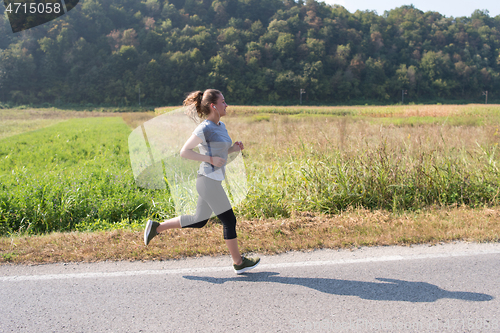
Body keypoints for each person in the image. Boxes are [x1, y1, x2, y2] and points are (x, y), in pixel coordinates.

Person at [143, 89, 260, 274]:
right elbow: (185, 151)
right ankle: (238, 262)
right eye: (223, 101)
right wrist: (210, 160)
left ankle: (157, 227)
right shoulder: (204, 128)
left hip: (212, 181)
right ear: (213, 106)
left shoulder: (221, 125)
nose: (226, 104)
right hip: (207, 181)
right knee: (229, 220)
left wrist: (234, 149)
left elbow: (220, 152)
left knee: (199, 221)